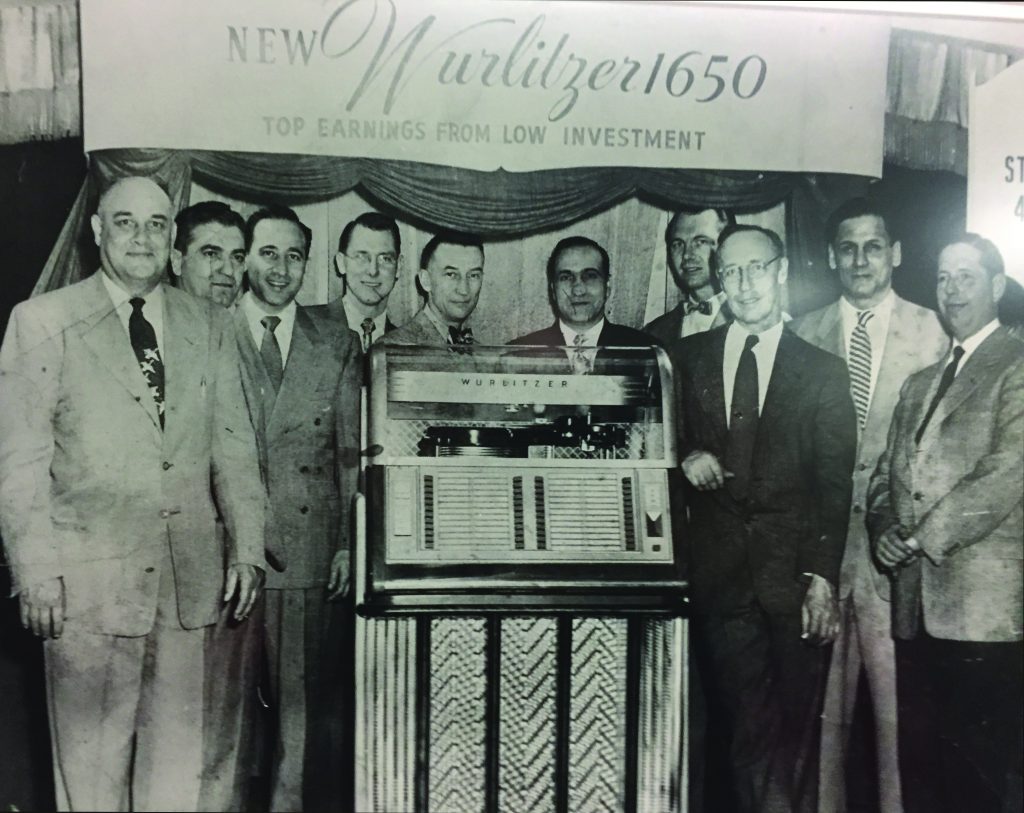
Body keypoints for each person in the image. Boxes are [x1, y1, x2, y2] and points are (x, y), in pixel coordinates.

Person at [0, 176, 266, 812]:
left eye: (155, 224)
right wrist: (34, 572)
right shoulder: (43, 321)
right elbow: (20, 463)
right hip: (84, 594)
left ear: (172, 236)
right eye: (125, 222)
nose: (142, 237)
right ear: (97, 232)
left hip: (188, 591)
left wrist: (248, 547)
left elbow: (235, 449)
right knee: (91, 781)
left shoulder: (210, 323)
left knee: (179, 779)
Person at [673, 224, 857, 813]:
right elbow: (660, 438)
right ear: (719, 281)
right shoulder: (688, 360)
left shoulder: (824, 372)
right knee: (745, 732)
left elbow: (834, 487)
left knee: (795, 738)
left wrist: (823, 581)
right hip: (720, 581)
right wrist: (685, 455)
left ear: (782, 272)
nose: (745, 283)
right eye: (731, 271)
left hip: (795, 585)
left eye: (757, 268)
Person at [791, 198, 947, 813]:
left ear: (897, 255)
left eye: (873, 246)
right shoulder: (802, 332)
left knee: (898, 727)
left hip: (896, 561)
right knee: (820, 726)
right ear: (831, 257)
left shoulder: (936, 332)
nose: (860, 259)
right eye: (848, 247)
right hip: (820, 566)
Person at [867, 234, 1023, 813]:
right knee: (922, 773)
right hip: (915, 613)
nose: (952, 290)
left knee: (975, 782)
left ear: (997, 288)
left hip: (983, 617)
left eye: (966, 277)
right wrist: (882, 524)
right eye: (942, 278)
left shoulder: (1018, 366)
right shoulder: (919, 384)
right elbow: (886, 476)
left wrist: (917, 537)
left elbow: (1006, 475)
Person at [233, 204, 361, 812]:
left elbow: (350, 452)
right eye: (268, 252)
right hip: (227, 549)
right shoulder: (209, 327)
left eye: (293, 255)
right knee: (224, 709)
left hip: (308, 555)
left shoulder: (334, 341)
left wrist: (346, 543)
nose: (281, 268)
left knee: (298, 715)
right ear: (246, 257)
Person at [509, 235, 652, 366]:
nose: (578, 290)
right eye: (566, 277)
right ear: (553, 290)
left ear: (607, 287)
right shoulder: (517, 354)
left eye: (590, 276)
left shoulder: (647, 351)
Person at [644, 207, 734, 345]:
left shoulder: (752, 320)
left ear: (728, 245)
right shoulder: (653, 333)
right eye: (678, 244)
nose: (686, 255)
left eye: (701, 242)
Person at [383, 230, 484, 346]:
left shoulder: (481, 353)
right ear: (425, 280)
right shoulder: (393, 348)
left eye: (473, 275)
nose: (463, 290)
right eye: (451, 274)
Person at [328, 211, 401, 351]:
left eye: (385, 259)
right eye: (361, 257)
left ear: (399, 267)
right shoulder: (306, 327)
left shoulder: (406, 344)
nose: (373, 271)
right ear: (341, 263)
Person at [170, 200, 247, 308]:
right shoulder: (148, 321)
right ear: (176, 261)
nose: (229, 271)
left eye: (238, 258)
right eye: (211, 254)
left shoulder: (247, 323)